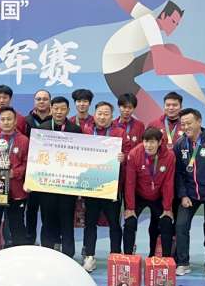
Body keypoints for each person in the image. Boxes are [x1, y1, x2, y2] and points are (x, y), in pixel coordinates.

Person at [90, 0, 205, 123]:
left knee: (172, 50)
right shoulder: (150, 23)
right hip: (116, 74)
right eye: (173, 21)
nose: (174, 27)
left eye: (177, 24)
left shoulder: (148, 16)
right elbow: (163, 66)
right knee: (155, 120)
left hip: (129, 64)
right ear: (164, 15)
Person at [173, 108, 205, 277]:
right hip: (189, 194)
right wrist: (183, 195)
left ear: (199, 122)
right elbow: (178, 173)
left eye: (189, 123)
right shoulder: (180, 144)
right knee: (181, 225)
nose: (185, 127)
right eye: (183, 124)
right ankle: (183, 263)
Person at [81, 101, 130, 271]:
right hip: (92, 185)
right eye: (99, 113)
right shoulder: (87, 131)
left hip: (111, 186)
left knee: (114, 223)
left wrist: (124, 158)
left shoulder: (119, 133)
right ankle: (89, 256)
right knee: (90, 222)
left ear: (112, 116)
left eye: (106, 114)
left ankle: (115, 255)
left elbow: (129, 155)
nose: (102, 117)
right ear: (94, 115)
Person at [38, 97, 84, 256]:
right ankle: (46, 252)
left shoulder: (75, 130)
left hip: (68, 185)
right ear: (51, 109)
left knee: (67, 220)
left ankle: (69, 254)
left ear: (68, 111)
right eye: (56, 109)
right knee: (47, 219)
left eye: (62, 109)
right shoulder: (42, 129)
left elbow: (79, 156)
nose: (59, 112)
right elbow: (36, 155)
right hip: (47, 184)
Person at [0, 106, 29, 256]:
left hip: (17, 190)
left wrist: (14, 173)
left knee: (17, 225)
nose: (6, 122)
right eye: (3, 119)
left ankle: (20, 256)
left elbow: (28, 163)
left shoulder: (24, 140)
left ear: (15, 121)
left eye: (9, 119)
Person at [123, 128, 176, 257]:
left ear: (160, 142)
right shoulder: (134, 154)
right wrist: (130, 207)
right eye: (146, 142)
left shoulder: (169, 156)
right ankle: (128, 258)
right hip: (139, 195)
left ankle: (164, 259)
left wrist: (167, 208)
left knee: (166, 222)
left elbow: (168, 183)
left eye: (152, 142)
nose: (148, 145)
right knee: (130, 222)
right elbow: (130, 183)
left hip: (158, 196)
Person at [23, 89, 52, 245]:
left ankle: (47, 242)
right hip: (30, 172)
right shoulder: (25, 121)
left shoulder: (56, 121)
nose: (41, 101)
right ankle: (30, 240)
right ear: (34, 101)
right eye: (38, 99)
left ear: (50, 102)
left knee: (48, 210)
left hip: (51, 172)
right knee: (31, 208)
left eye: (45, 99)